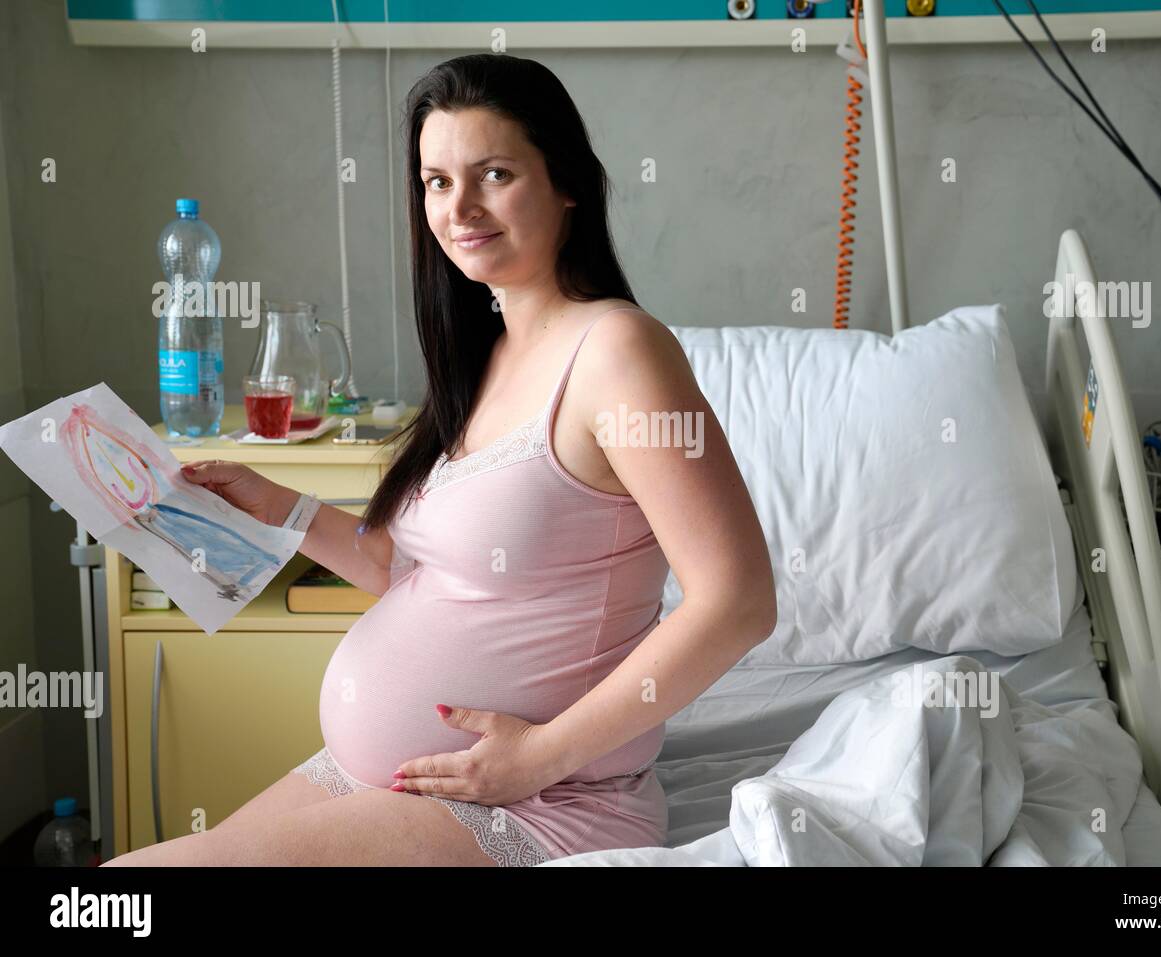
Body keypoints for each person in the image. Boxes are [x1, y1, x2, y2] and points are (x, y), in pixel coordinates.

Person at [104, 53, 776, 867]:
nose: (460, 208)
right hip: (391, 778)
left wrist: (543, 755)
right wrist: (274, 500)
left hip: (539, 802)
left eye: (494, 173)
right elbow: (409, 568)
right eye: (435, 181)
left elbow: (737, 601)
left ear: (567, 183)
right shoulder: (484, 355)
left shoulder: (619, 351)